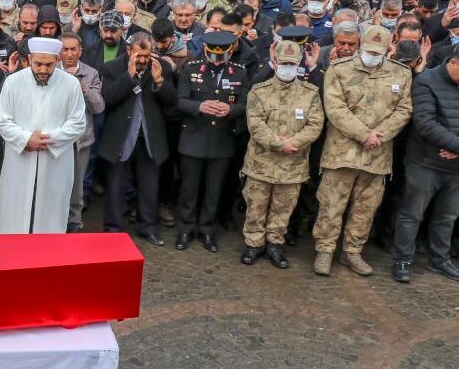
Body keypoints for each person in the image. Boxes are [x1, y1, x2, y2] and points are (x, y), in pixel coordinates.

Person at [313, 25, 413, 277]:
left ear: (389, 49)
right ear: (360, 46)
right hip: (342, 152)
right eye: (368, 50)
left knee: (366, 208)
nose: (372, 55)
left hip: (377, 154)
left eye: (378, 52)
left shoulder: (400, 74)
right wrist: (363, 134)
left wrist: (379, 135)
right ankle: (324, 250)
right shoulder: (339, 69)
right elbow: (334, 108)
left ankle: (352, 252)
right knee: (331, 204)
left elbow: (404, 110)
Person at [239, 41, 325, 269]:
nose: (288, 67)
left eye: (292, 63)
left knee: (283, 207)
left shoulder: (310, 93)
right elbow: (255, 124)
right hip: (261, 164)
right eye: (284, 62)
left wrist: (293, 143)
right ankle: (253, 243)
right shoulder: (259, 91)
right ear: (275, 62)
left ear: (298, 64)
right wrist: (278, 144)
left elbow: (315, 124)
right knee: (256, 205)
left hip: (292, 165)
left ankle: (275, 243)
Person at [0, 37, 87, 234]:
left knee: (51, 212)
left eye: (49, 65)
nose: (43, 70)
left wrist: (46, 140)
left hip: (56, 161)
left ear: (57, 60)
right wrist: (26, 139)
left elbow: (78, 123)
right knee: (15, 211)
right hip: (20, 158)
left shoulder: (70, 84)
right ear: (29, 59)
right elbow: (3, 121)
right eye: (38, 64)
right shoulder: (13, 82)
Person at [174, 30, 252, 252]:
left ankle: (207, 230)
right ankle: (186, 229)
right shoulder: (191, 68)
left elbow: (246, 104)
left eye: (222, 56)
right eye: (213, 55)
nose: (217, 60)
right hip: (194, 136)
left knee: (213, 190)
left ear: (230, 52)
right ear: (206, 51)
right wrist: (199, 107)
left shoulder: (239, 73)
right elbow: (179, 100)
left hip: (222, 139)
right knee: (189, 189)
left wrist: (231, 109)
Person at [100, 31, 178, 243]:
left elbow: (172, 101)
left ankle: (148, 227)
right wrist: (129, 76)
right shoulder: (112, 68)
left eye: (147, 55)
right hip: (121, 136)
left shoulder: (161, 67)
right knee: (116, 185)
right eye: (138, 56)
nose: (143, 60)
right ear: (128, 51)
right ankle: (113, 228)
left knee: (150, 185)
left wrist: (159, 80)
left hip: (150, 136)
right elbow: (107, 98)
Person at [391, 47, 459, 283]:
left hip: (456, 166)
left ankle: (439, 258)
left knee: (447, 216)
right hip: (425, 162)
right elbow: (425, 123)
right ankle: (402, 259)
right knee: (412, 214)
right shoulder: (426, 81)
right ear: (453, 62)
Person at [59, 32, 105, 233]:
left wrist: (83, 88)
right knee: (55, 184)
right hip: (56, 139)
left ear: (80, 51)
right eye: (65, 49)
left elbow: (99, 107)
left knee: (76, 187)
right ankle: (53, 221)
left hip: (81, 141)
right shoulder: (50, 70)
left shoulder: (91, 73)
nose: (69, 54)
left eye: (73, 49)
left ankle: (75, 223)